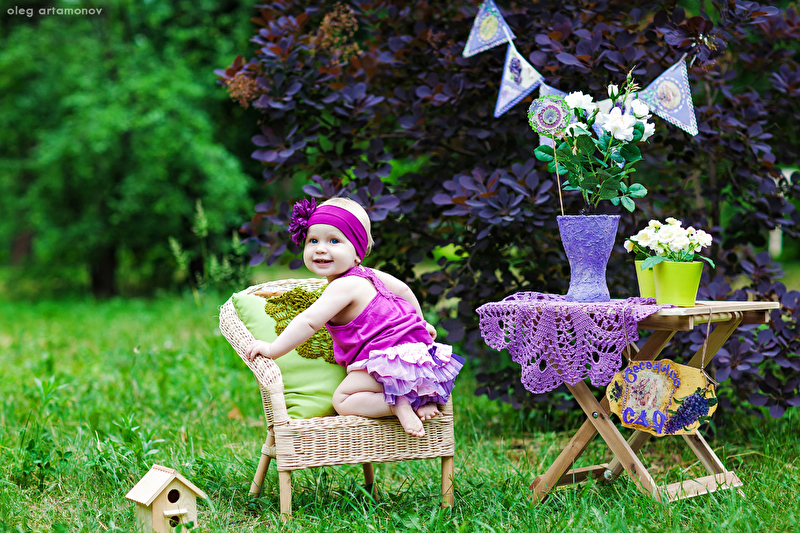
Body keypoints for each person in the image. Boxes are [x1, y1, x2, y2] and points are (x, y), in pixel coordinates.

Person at [245, 197, 464, 437]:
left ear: (357, 253)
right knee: (387, 379)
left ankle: (396, 404)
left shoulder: (342, 286)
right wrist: (421, 324)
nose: (320, 248)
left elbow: (309, 321)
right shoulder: (369, 275)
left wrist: (273, 349)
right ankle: (422, 397)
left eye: (334, 241)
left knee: (343, 399)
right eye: (313, 240)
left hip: (385, 359)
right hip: (418, 356)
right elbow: (403, 290)